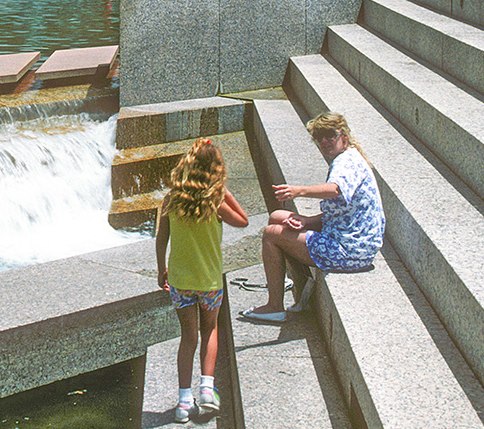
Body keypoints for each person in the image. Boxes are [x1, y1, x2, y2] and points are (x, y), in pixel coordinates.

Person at [240, 112, 385, 324]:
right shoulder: (349, 156)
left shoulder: (346, 163)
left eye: (329, 134)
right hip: (350, 240)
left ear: (343, 135)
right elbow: (342, 212)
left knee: (271, 235)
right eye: (319, 136)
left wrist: (299, 191)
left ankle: (274, 307)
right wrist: (308, 221)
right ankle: (300, 284)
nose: (324, 141)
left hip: (351, 251)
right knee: (277, 216)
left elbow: (335, 189)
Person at [156, 138, 249, 423]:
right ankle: (207, 388)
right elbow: (244, 221)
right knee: (210, 331)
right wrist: (224, 192)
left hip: (181, 281)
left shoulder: (172, 199)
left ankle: (184, 404)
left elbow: (161, 239)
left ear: (186, 166)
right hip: (209, 282)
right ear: (215, 170)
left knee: (188, 337)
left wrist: (162, 271)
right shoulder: (216, 201)